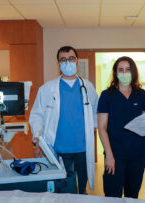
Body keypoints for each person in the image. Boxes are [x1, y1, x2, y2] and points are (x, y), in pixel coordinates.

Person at [29, 46, 98, 194]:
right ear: (58, 64)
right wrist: (37, 140)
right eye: (63, 60)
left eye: (71, 58)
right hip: (59, 148)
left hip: (83, 148)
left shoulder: (88, 87)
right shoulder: (47, 88)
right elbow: (36, 115)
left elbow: (96, 114)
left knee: (82, 190)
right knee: (63, 189)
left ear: (77, 61)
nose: (68, 62)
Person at [97, 56, 145, 198]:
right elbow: (102, 127)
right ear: (115, 73)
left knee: (132, 195)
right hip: (115, 155)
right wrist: (109, 155)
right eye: (120, 70)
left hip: (137, 154)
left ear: (133, 72)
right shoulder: (106, 96)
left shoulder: (140, 94)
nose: (124, 73)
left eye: (128, 69)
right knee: (112, 195)